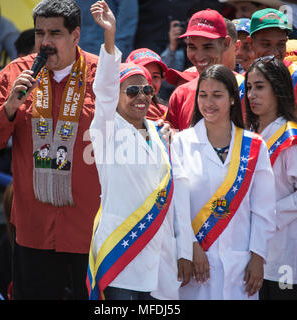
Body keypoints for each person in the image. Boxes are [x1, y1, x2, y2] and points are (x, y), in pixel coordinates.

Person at [0, 0, 101, 300]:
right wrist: (10, 107)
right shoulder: (15, 74)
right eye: (40, 33)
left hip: (90, 231)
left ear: (76, 34)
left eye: (55, 33)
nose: (45, 42)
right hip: (34, 230)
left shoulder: (103, 74)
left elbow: (143, 119)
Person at [87, 1, 193, 300]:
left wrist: (184, 249)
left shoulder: (162, 135)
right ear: (117, 96)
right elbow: (104, 89)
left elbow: (177, 198)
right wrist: (110, 36)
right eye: (131, 90)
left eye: (147, 89)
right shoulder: (105, 129)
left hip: (161, 257)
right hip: (122, 253)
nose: (141, 96)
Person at [172, 64, 276, 300]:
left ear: (232, 99)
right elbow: (177, 206)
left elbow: (264, 208)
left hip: (240, 265)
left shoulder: (254, 145)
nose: (209, 103)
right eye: (203, 95)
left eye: (217, 95)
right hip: (195, 264)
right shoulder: (180, 143)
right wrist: (190, 248)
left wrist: (258, 257)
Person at [244, 56, 297, 300]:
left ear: (277, 90)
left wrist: (269, 216)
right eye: (248, 87)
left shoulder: (290, 135)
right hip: (256, 246)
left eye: (259, 87)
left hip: (286, 250)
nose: (251, 95)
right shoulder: (251, 132)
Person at [166, 9, 246, 131]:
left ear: (226, 43)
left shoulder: (245, 89)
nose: (199, 56)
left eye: (208, 47)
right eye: (192, 47)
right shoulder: (180, 95)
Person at [247, 8, 297, 115]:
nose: (274, 52)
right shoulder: (241, 80)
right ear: (250, 43)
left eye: (280, 44)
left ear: (286, 42)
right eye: (266, 44)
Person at [125, 48, 169, 120]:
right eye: (144, 76)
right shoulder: (117, 111)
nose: (149, 84)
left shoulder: (165, 113)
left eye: (155, 77)